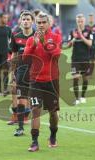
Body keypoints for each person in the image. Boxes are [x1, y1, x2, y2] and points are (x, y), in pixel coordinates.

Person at [23, 12, 61, 152]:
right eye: (38, 23)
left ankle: (53, 135)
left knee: (53, 113)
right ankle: (34, 142)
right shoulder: (31, 40)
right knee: (36, 111)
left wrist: (44, 43)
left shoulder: (55, 37)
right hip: (35, 82)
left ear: (48, 23)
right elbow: (25, 59)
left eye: (43, 22)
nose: (40, 25)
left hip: (52, 81)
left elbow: (57, 55)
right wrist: (34, 44)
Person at [10, 11, 35, 136]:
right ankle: (20, 128)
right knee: (21, 100)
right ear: (20, 21)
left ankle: (36, 129)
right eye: (23, 19)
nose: (25, 21)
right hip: (21, 72)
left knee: (35, 100)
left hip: (36, 72)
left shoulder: (38, 36)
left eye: (28, 19)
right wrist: (12, 73)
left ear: (32, 21)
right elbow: (14, 55)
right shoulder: (16, 36)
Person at [64, 14, 93, 105]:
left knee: (85, 79)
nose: (80, 23)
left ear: (84, 21)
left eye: (81, 21)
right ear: (76, 22)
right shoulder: (72, 32)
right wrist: (73, 39)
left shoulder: (89, 32)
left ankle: (83, 96)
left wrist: (81, 36)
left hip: (85, 59)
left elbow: (90, 44)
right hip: (75, 59)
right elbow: (67, 46)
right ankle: (77, 99)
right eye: (78, 21)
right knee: (75, 78)